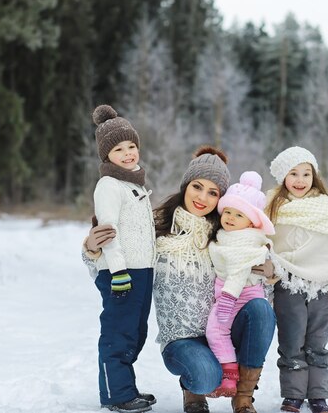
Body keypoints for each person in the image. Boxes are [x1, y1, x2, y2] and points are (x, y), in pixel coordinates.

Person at [84, 146, 276, 413]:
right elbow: (114, 253)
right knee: (205, 377)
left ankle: (243, 397)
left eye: (213, 192)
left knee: (261, 310)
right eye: (197, 187)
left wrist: (268, 267)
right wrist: (93, 248)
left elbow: (255, 256)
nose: (202, 197)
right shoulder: (155, 227)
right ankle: (192, 389)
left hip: (221, 328)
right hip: (181, 339)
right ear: (186, 185)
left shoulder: (225, 233)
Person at [265, 146, 328, 413]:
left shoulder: (325, 207)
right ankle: (293, 395)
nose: (300, 180)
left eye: (306, 173)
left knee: (317, 341)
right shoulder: (273, 207)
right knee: (291, 341)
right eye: (294, 174)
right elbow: (266, 242)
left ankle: (317, 395)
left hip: (321, 286)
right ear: (283, 177)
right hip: (288, 282)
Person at [90, 105, 156, 413]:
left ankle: (125, 387)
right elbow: (108, 231)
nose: (128, 153)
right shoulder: (109, 185)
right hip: (121, 272)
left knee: (136, 332)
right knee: (119, 333)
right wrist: (117, 270)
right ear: (106, 155)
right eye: (119, 149)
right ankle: (117, 395)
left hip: (141, 271)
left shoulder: (135, 183)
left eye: (131, 146)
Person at [205, 171, 275, 398]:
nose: (231, 218)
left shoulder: (245, 239)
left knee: (216, 330)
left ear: (252, 221)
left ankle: (232, 376)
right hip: (230, 293)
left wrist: (227, 298)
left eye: (239, 214)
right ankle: (230, 375)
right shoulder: (227, 235)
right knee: (216, 331)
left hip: (238, 295)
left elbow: (237, 271)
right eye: (228, 212)